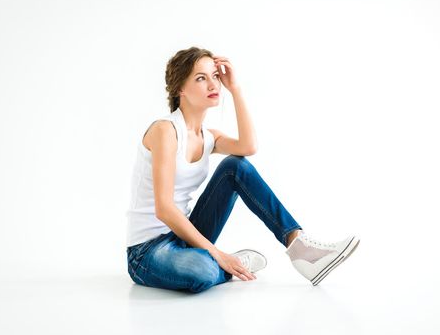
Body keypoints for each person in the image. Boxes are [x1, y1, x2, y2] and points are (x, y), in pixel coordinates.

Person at [126, 46, 360, 293]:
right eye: (201, 78)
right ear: (180, 89)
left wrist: (235, 89)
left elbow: (248, 147)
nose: (213, 85)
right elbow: (164, 209)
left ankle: (301, 249)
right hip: (147, 251)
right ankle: (231, 263)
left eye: (214, 76)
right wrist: (217, 253)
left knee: (235, 166)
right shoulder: (165, 131)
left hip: (183, 237)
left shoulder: (208, 137)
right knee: (202, 271)